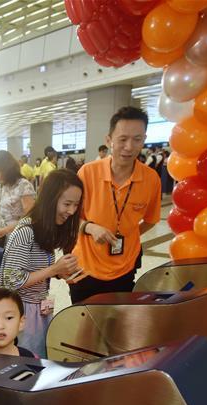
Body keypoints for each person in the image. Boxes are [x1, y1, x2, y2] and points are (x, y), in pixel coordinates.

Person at [70, 106, 161, 305]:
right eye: (122, 139)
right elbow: (69, 218)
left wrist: (127, 235)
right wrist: (90, 227)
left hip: (125, 268)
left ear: (144, 140)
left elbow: (152, 220)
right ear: (109, 140)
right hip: (85, 267)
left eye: (137, 139)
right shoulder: (88, 173)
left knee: (117, 326)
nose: (129, 147)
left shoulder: (151, 178)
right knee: (84, 326)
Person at [0, 169, 82, 358]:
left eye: (76, 205)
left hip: (38, 309)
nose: (72, 211)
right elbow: (11, 280)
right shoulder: (26, 231)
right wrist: (54, 269)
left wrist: (60, 273)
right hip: (20, 312)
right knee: (27, 365)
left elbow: (34, 269)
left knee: (38, 360)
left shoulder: (46, 229)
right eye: (67, 204)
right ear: (51, 200)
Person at [0, 150, 35, 243]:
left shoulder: (23, 185)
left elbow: (29, 216)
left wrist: (6, 230)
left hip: (20, 235)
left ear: (7, 169)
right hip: (2, 233)